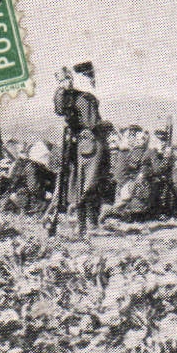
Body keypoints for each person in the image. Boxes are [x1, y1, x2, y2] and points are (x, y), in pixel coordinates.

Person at [49, 62, 107, 236]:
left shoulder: (77, 97)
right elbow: (92, 122)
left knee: (81, 183)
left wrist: (62, 91)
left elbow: (60, 109)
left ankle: (83, 224)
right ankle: (88, 224)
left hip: (81, 143)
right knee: (87, 184)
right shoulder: (84, 98)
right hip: (88, 142)